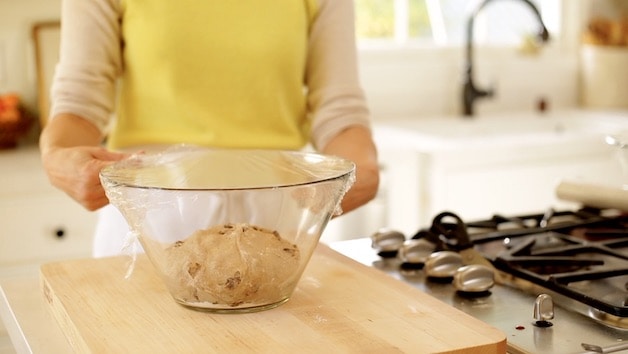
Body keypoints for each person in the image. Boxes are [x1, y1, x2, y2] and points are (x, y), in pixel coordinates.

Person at [39, 0, 380, 257]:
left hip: (276, 218)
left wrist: (359, 168)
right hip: (150, 221)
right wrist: (58, 156)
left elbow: (338, 107)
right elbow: (79, 100)